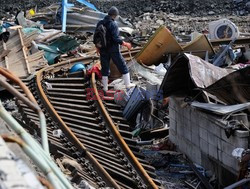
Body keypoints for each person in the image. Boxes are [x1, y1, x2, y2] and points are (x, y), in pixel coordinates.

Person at [95, 6, 135, 91]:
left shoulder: (100, 23)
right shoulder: (113, 24)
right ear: (115, 15)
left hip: (103, 49)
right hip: (113, 49)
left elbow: (96, 37)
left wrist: (97, 47)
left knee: (105, 67)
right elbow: (115, 38)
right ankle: (128, 84)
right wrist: (125, 44)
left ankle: (105, 87)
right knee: (122, 65)